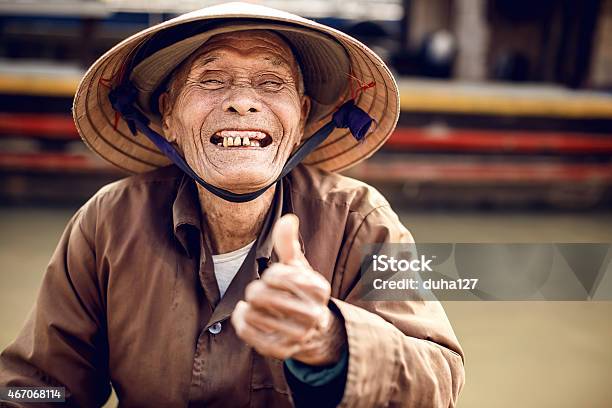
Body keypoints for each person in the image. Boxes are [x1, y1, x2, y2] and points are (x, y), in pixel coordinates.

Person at [0, 2, 464, 407]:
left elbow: (439, 381)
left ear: (301, 117)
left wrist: (329, 339)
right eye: (213, 79)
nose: (242, 102)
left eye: (269, 82)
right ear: (168, 115)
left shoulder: (361, 220)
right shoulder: (108, 223)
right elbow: (37, 386)